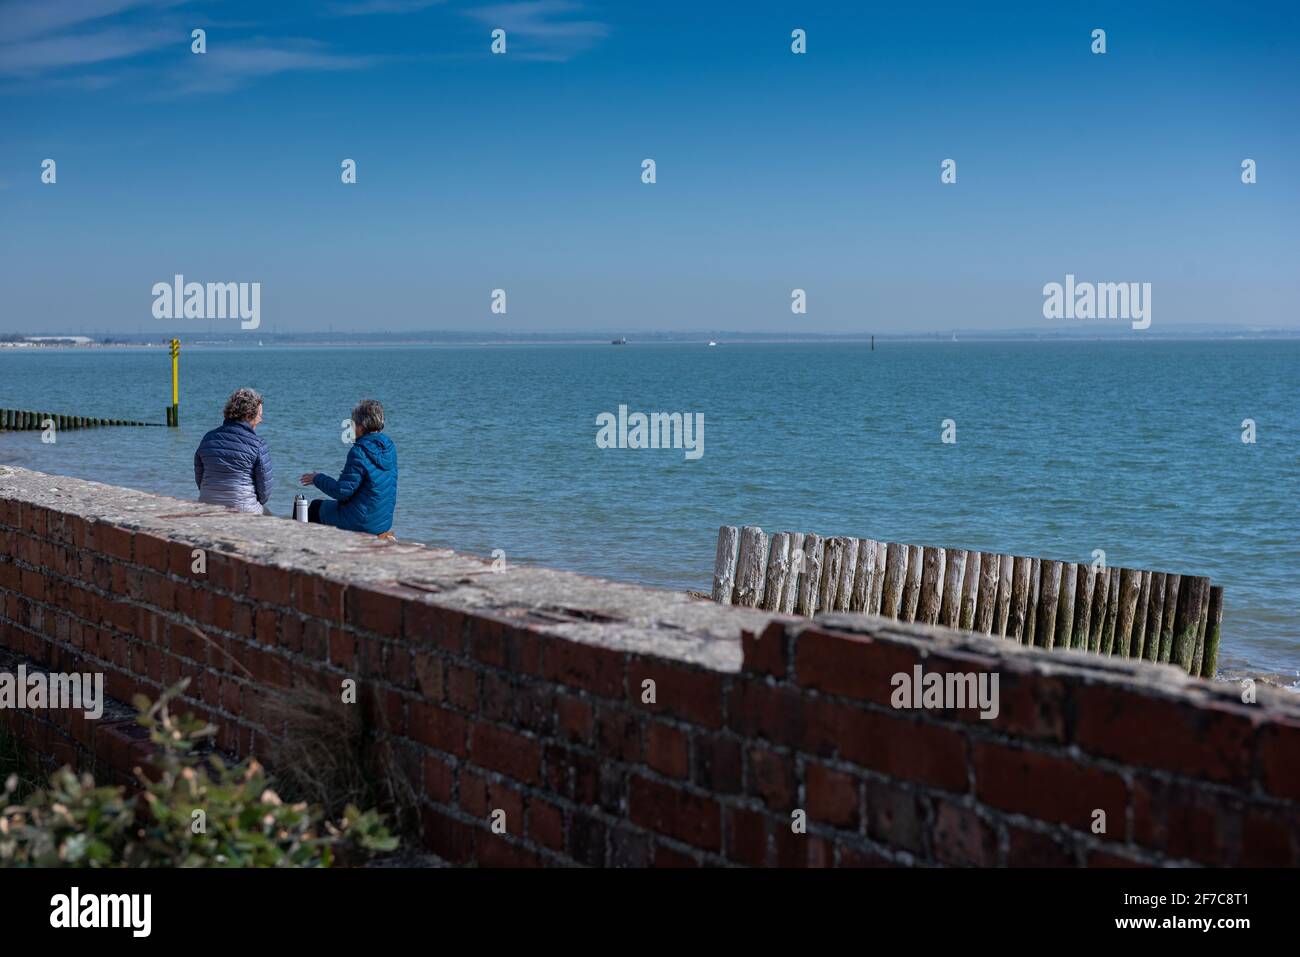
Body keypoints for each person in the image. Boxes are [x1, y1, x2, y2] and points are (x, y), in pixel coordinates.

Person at [299, 399, 398, 534]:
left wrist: (317, 478)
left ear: (361, 426)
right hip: (383, 521)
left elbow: (341, 492)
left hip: (362, 521)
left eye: (353, 423)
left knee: (315, 507)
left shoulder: (359, 451)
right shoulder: (389, 447)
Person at [194, 388, 273, 514]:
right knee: (269, 516)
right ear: (248, 415)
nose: (261, 420)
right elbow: (265, 492)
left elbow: (200, 480)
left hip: (207, 504)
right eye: (260, 415)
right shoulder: (258, 444)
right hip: (243, 508)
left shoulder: (208, 438)